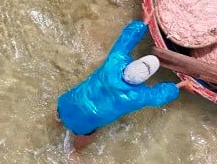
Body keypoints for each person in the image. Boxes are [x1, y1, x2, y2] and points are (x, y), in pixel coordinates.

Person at [56, 20, 188, 152]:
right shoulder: (138, 96)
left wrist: (143, 24)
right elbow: (161, 95)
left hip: (67, 101)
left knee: (61, 112)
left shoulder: (114, 62)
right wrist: (181, 85)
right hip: (85, 123)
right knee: (87, 134)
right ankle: (73, 153)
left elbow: (126, 39)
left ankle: (55, 122)